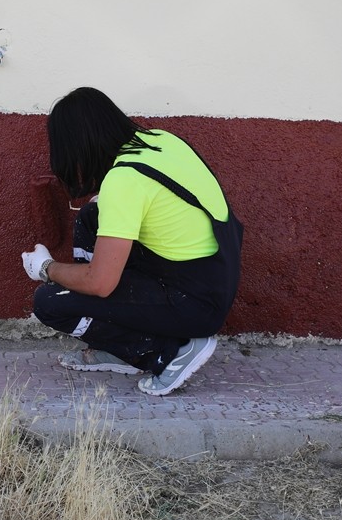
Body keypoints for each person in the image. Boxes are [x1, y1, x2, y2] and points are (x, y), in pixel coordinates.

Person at [20, 87, 243, 396]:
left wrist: (47, 268)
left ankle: (168, 353)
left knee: (50, 302)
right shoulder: (160, 140)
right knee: (90, 217)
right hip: (214, 278)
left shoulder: (122, 181)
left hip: (192, 302)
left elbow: (100, 284)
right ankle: (119, 347)